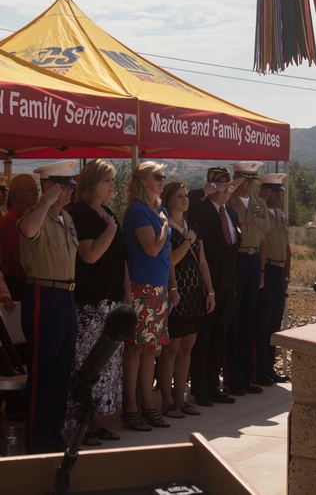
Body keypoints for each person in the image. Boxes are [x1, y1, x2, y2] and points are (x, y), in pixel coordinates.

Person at [66, 159, 128, 445]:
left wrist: (126, 299)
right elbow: (89, 254)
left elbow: (120, 260)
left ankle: (96, 423)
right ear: (92, 183)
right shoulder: (79, 213)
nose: (112, 186)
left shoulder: (108, 213)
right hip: (89, 303)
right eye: (107, 181)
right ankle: (80, 425)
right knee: (87, 365)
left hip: (111, 303)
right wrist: (111, 231)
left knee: (107, 367)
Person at [18, 160, 79, 452]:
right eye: (63, 187)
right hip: (44, 294)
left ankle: (54, 433)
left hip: (66, 295)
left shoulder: (66, 219)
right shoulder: (36, 214)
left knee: (60, 371)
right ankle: (37, 439)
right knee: (43, 371)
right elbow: (28, 231)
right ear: (49, 187)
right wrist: (45, 202)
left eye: (69, 187)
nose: (69, 192)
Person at [156, 181, 215, 419]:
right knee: (172, 348)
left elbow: (202, 262)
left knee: (187, 348)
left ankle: (181, 399)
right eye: (179, 196)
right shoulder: (165, 227)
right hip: (175, 293)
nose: (184, 199)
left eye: (185, 196)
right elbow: (171, 260)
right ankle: (167, 402)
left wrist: (209, 291)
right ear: (169, 200)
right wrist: (188, 241)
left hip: (194, 294)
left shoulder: (195, 227)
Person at [121, 161, 172, 431]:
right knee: (134, 348)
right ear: (142, 181)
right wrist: (164, 227)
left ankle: (148, 406)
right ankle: (130, 408)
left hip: (159, 286)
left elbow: (166, 255)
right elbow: (152, 249)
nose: (162, 180)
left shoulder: (159, 209)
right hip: (141, 287)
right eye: (157, 176)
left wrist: (172, 287)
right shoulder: (137, 211)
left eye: (163, 176)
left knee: (150, 349)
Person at [187, 167, 241, 407]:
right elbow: (186, 202)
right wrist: (204, 192)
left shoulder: (230, 211)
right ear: (209, 186)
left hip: (227, 283)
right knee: (205, 338)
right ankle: (200, 388)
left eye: (227, 187)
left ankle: (213, 384)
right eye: (218, 186)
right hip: (207, 282)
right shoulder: (199, 208)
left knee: (220, 336)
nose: (224, 191)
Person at [226, 161, 271, 396]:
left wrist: (262, 271)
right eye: (246, 178)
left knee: (248, 322)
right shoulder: (227, 201)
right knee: (232, 322)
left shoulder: (259, 204)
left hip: (253, 262)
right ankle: (232, 379)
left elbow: (263, 241)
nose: (250, 183)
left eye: (253, 179)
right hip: (235, 261)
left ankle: (246, 377)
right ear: (236, 178)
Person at [254, 173, 291, 386]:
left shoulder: (280, 215)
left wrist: (287, 275)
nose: (277, 196)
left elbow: (287, 248)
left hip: (278, 271)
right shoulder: (259, 212)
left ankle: (269, 368)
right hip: (265, 269)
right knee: (263, 322)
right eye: (274, 191)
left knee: (274, 324)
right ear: (265, 191)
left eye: (278, 192)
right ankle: (259, 369)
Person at [0, 173, 39, 300]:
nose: (36, 193)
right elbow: (22, 258)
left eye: (36, 189)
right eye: (30, 189)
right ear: (17, 194)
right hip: (18, 284)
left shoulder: (31, 218)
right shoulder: (11, 221)